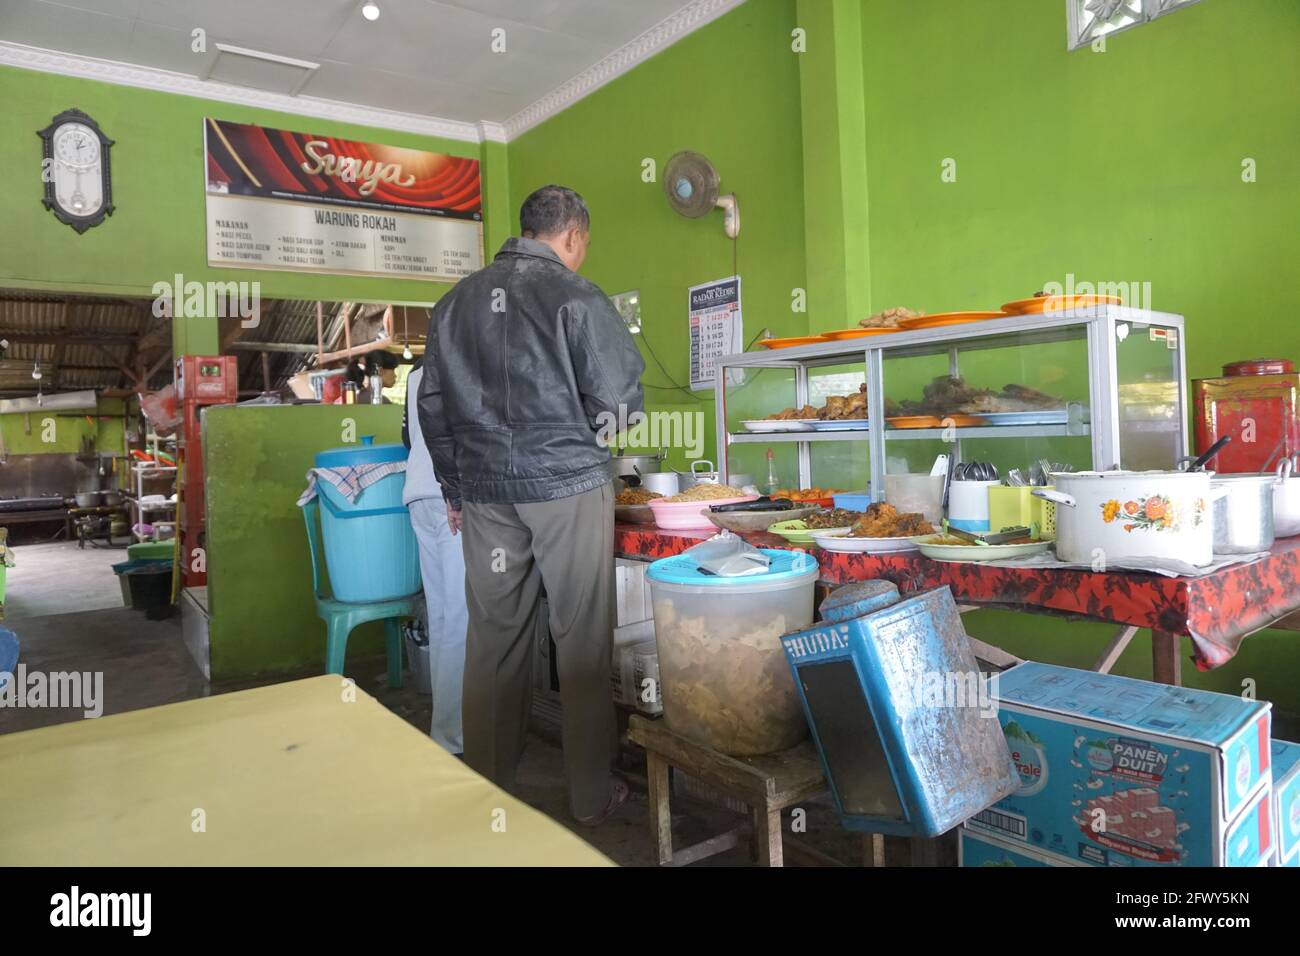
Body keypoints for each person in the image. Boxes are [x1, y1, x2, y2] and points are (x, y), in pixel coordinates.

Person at [417, 184, 645, 825]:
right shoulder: (576, 295)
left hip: (487, 494)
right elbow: (619, 401)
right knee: (580, 636)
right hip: (568, 487)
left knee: (494, 638)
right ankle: (589, 792)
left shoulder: (455, 303)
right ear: (573, 235)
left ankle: (490, 790)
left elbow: (431, 408)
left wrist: (456, 489)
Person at [402, 362, 468, 754]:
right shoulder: (461, 367)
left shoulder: (415, 374)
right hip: (450, 498)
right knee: (459, 617)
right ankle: (452, 734)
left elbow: (409, 437)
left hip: (418, 495)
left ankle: (445, 730)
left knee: (443, 614)